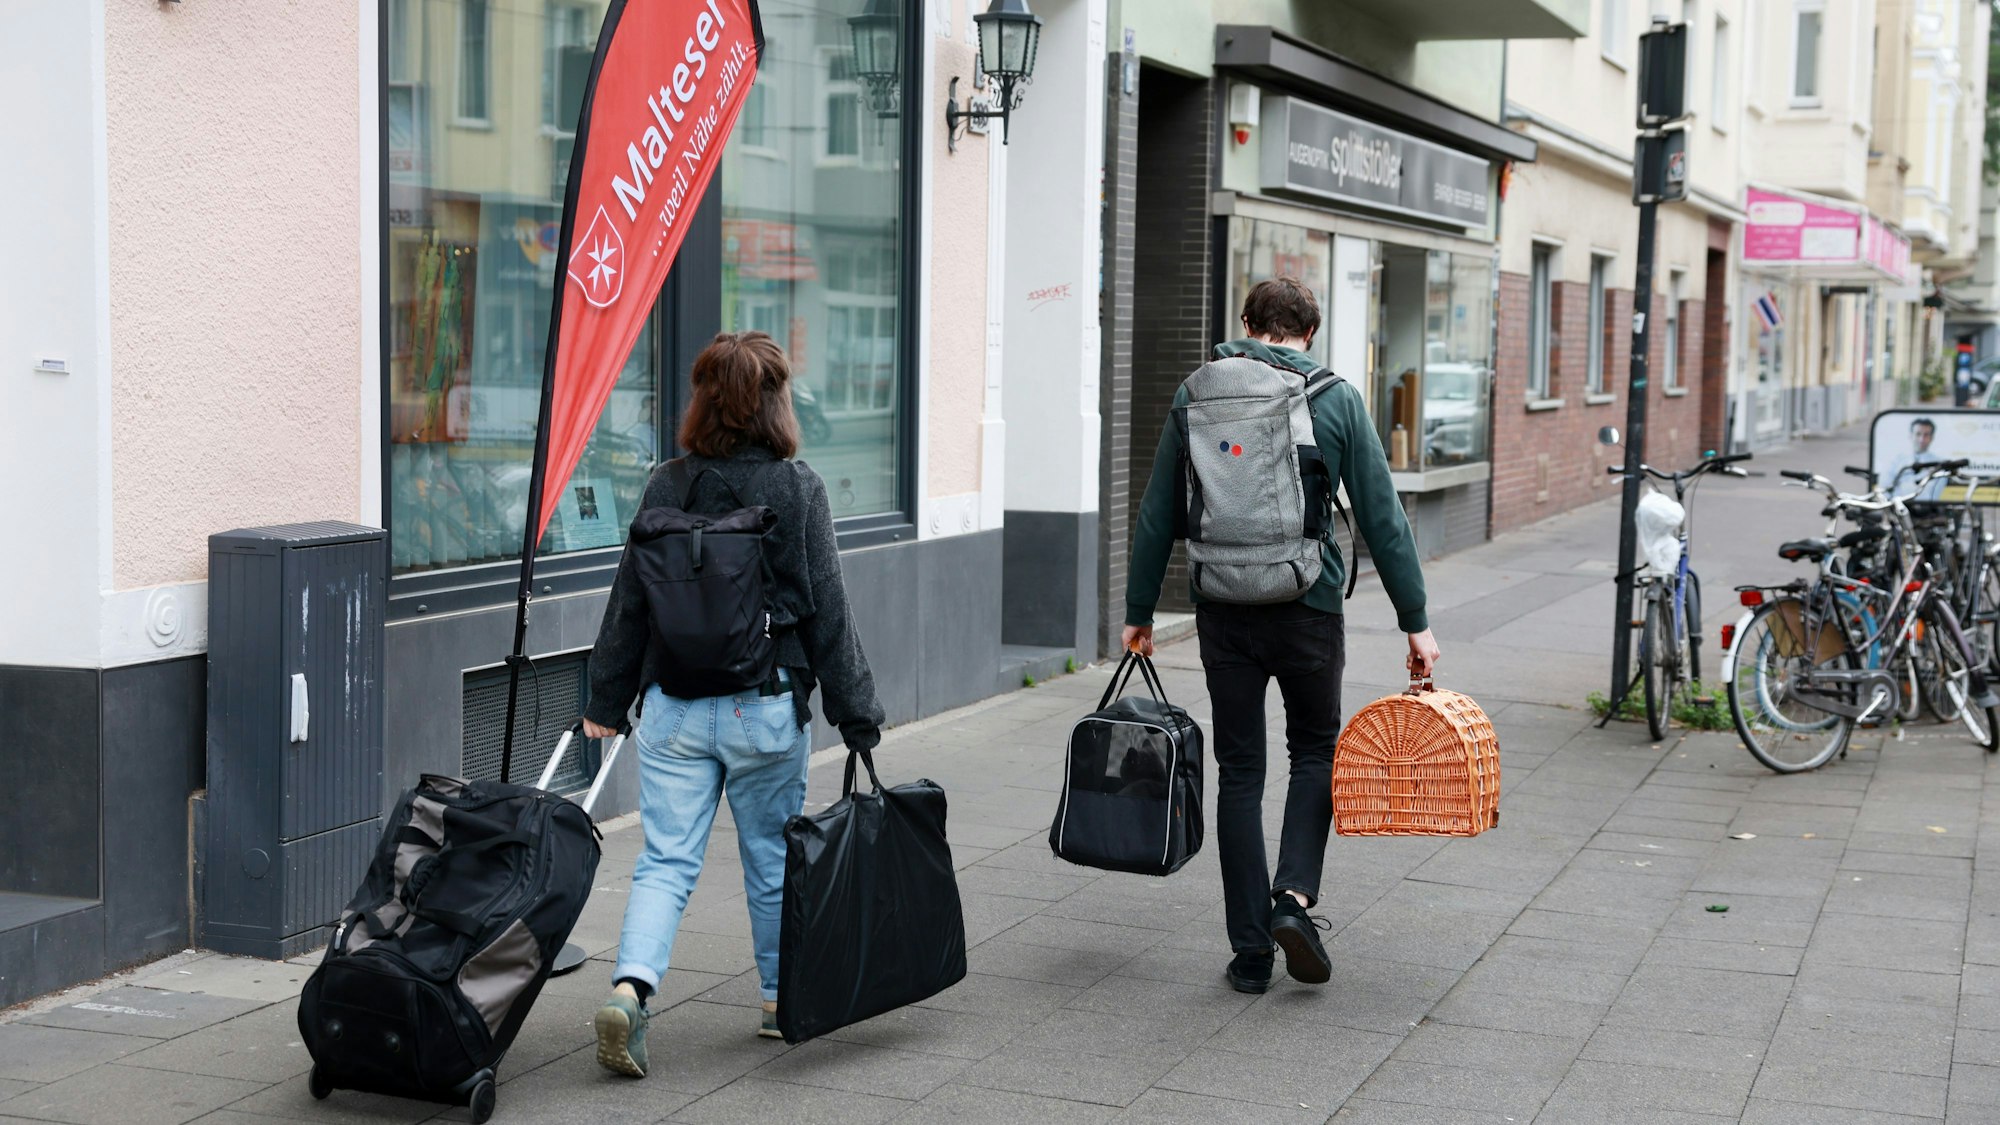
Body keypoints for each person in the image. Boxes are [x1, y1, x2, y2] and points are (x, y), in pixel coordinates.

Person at [1122, 277, 1440, 994]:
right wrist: (1415, 622)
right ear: (1308, 334)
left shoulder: (1196, 393)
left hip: (1224, 609)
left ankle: (1249, 952)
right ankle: (1293, 897)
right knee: (1314, 750)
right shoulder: (1335, 398)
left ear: (1246, 324)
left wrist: (1140, 612)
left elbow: (1156, 513)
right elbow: (1384, 519)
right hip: (1308, 604)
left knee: (1239, 772)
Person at [580, 331, 884, 1077]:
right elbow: (829, 614)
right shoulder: (797, 487)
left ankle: (630, 990)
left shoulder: (665, 484)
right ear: (776, 403)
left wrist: (607, 699)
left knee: (664, 860)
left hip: (674, 707)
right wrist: (857, 713)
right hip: (764, 706)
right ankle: (782, 1001)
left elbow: (630, 604)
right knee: (772, 860)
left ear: (702, 399)